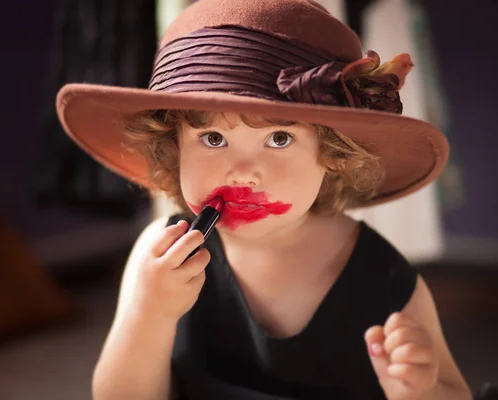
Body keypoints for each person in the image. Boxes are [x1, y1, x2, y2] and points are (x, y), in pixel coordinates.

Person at [55, 0, 472, 398]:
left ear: (332, 155)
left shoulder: (383, 275)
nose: (241, 171)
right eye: (213, 138)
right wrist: (151, 315)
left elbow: (454, 392)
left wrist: (422, 389)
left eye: (279, 137)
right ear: (174, 148)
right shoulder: (157, 257)